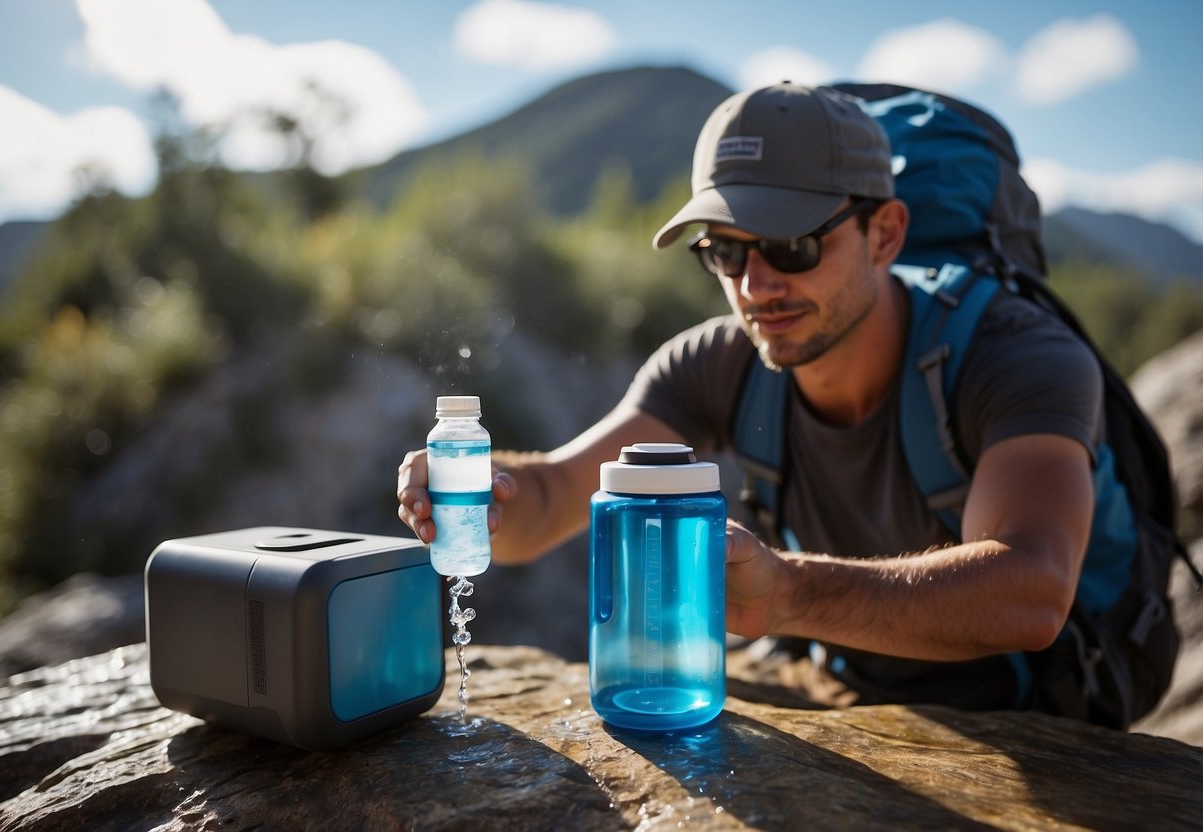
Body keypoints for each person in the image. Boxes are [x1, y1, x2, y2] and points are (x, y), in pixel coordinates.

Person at [397, 82, 1103, 713]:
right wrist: (484, 493)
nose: (753, 287)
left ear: (883, 233)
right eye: (724, 251)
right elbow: (550, 501)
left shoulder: (1012, 353)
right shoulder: (718, 361)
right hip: (841, 689)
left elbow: (1029, 590)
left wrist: (789, 593)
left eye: (791, 246)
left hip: (1024, 715)